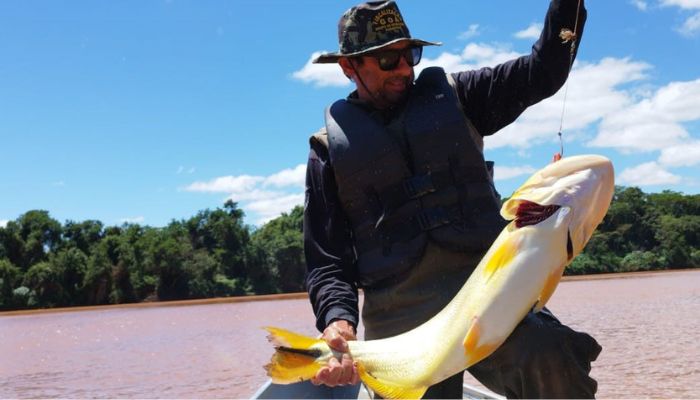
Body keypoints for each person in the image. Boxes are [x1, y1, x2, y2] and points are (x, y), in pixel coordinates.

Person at [303, 1, 602, 398]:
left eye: (410, 54)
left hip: (489, 290)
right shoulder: (327, 152)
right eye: (388, 59)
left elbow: (543, 69)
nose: (404, 69)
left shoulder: (461, 96)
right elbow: (328, 262)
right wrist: (338, 323)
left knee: (549, 355)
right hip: (399, 312)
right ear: (349, 67)